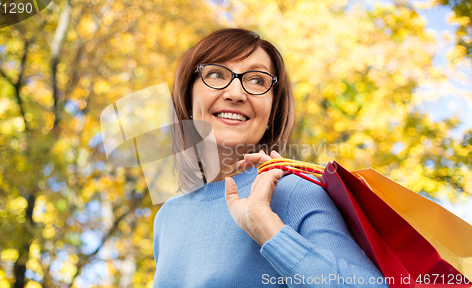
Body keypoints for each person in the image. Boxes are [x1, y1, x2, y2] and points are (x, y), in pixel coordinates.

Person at [153, 28, 388, 287]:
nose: (235, 93)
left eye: (256, 80)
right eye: (216, 74)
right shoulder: (168, 216)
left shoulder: (295, 192)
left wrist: (267, 228)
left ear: (271, 113)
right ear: (188, 99)